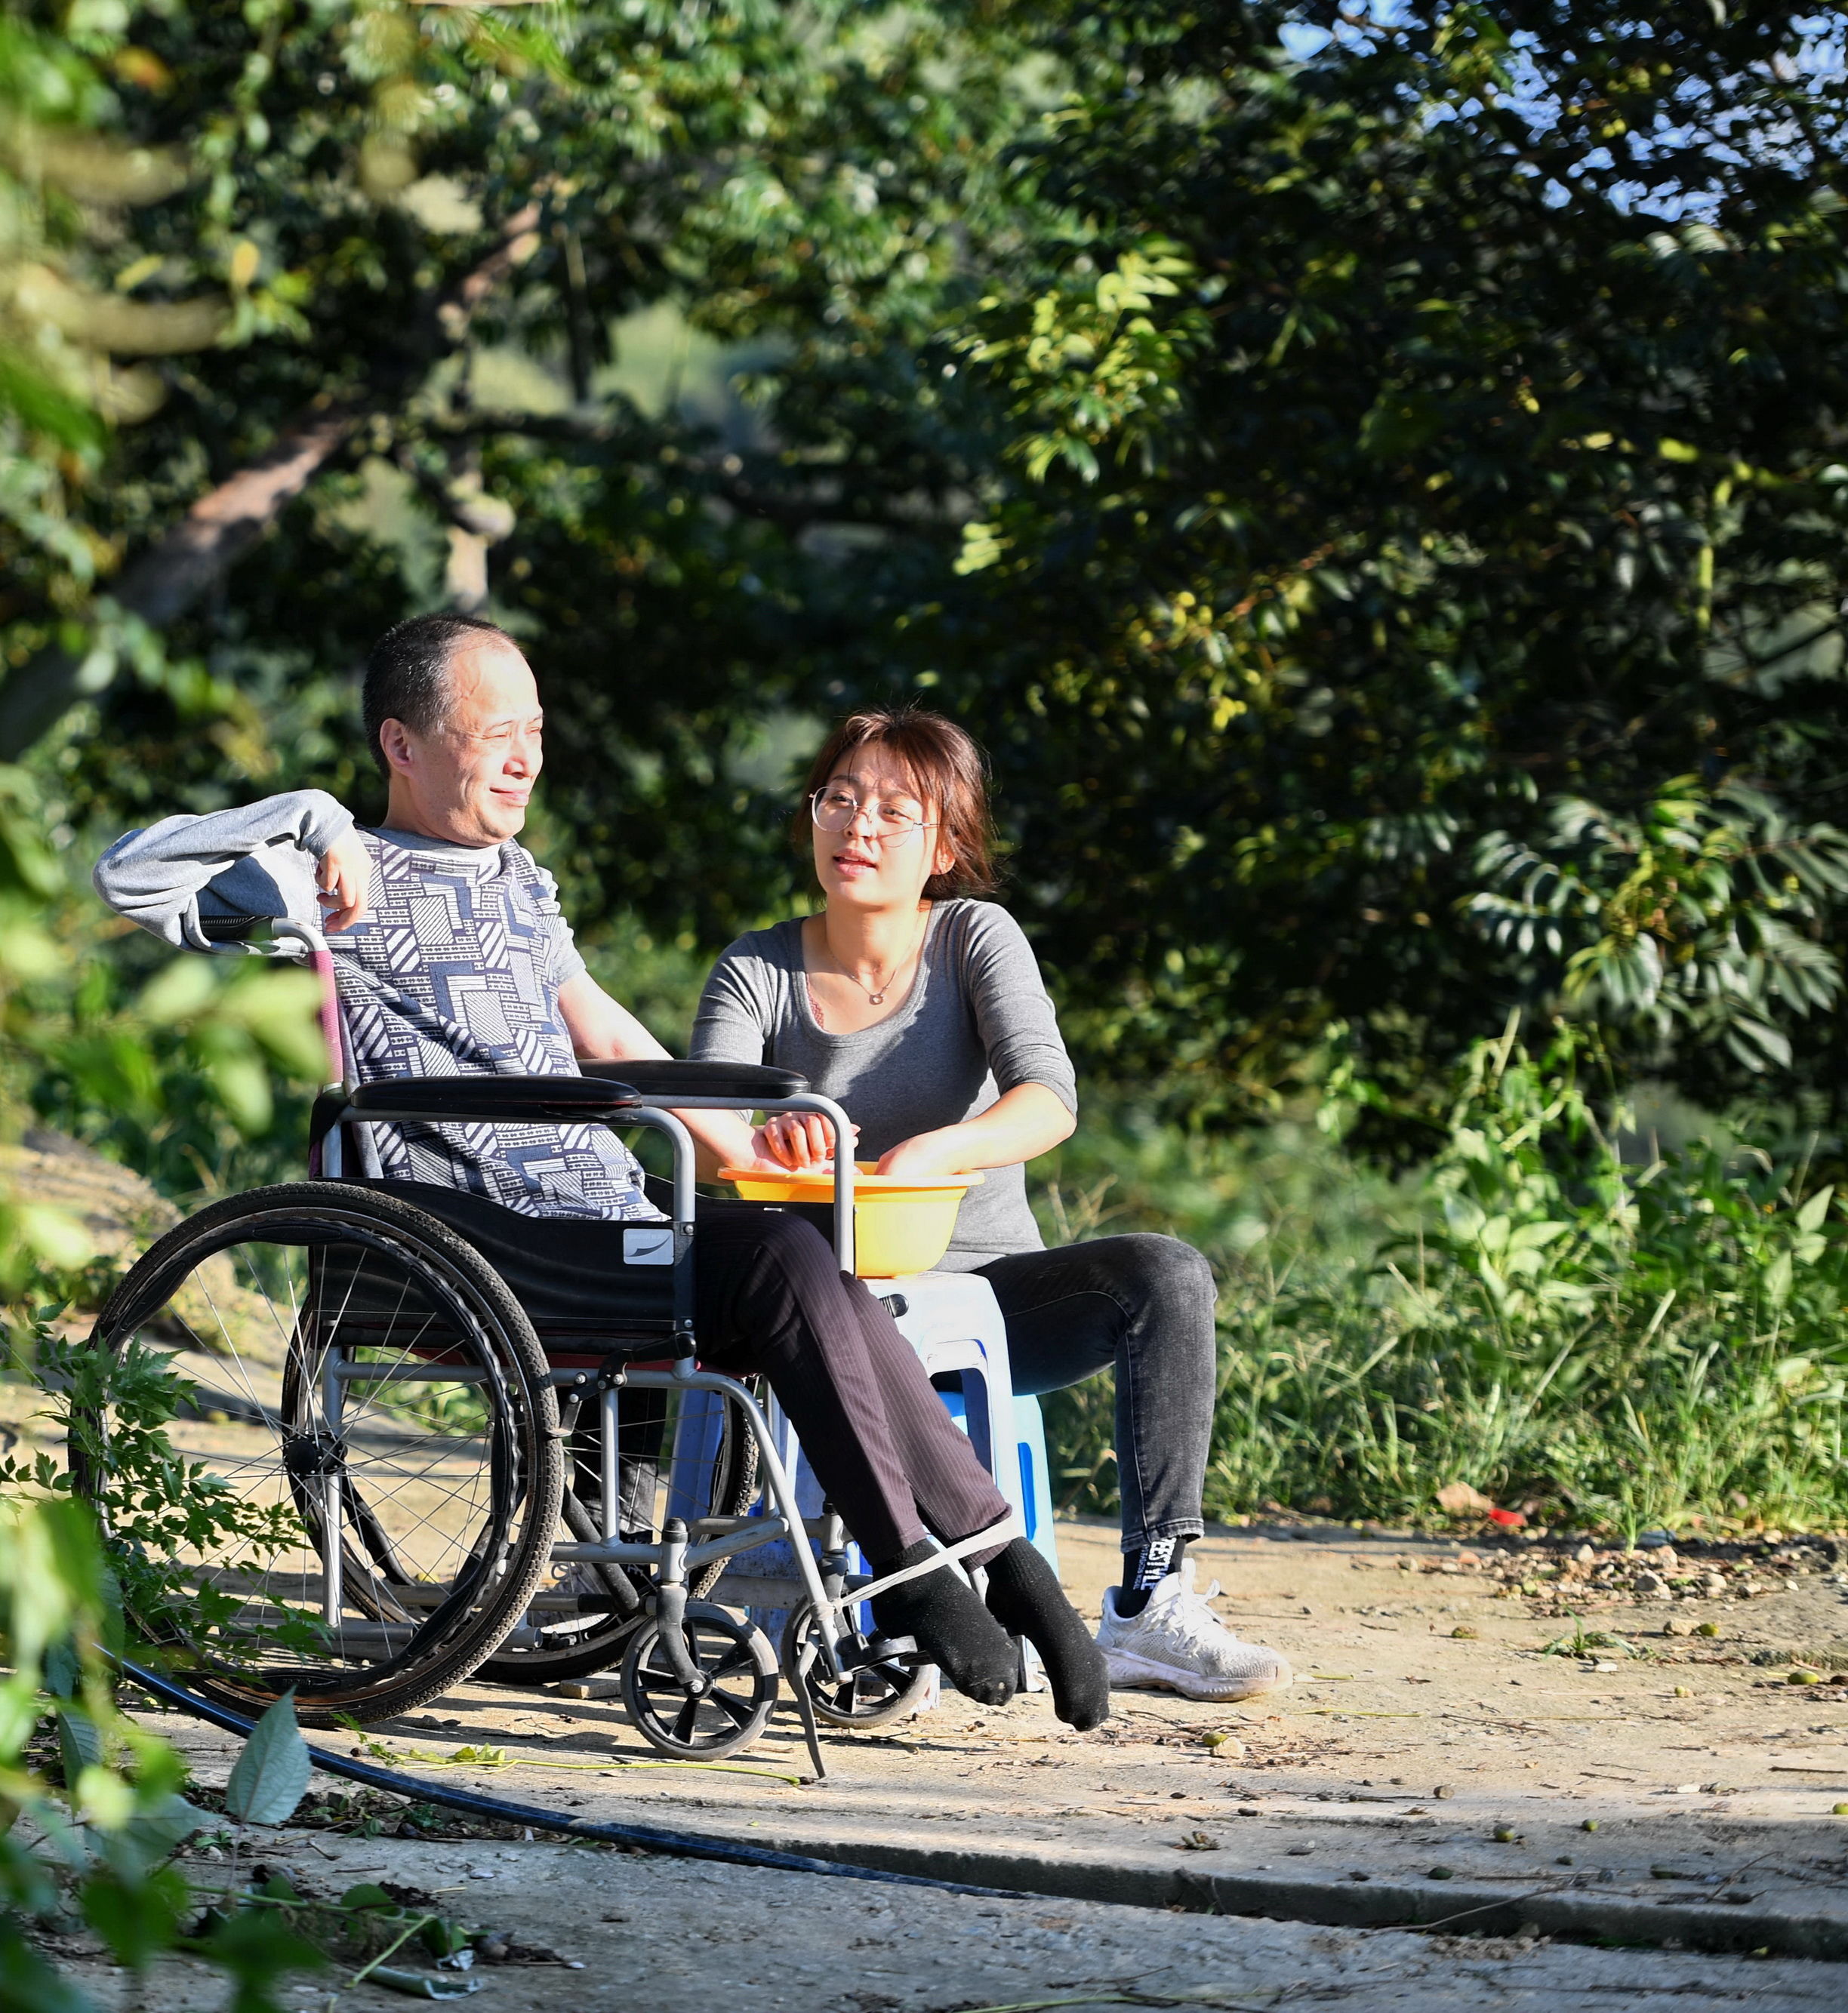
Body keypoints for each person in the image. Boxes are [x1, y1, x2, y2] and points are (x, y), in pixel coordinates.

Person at [93, 614, 1109, 1729]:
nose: (527, 759)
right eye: (496, 735)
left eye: (535, 730)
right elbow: (127, 873)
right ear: (402, 745)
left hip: (596, 1217)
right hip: (470, 1226)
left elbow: (619, 1046)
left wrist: (767, 1151)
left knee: (803, 1249)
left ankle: (995, 1557)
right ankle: (917, 1571)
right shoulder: (332, 881)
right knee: (776, 1259)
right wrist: (311, 823)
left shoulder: (523, 882)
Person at [691, 704, 1291, 1703]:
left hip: (983, 1299)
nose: (858, 828)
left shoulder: (975, 937)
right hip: (817, 1310)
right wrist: (767, 1142)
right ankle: (877, 1600)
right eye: (839, 800)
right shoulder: (757, 967)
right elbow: (703, 1106)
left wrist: (941, 1151)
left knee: (1166, 1274)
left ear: (946, 845)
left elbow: (1048, 1101)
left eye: (893, 810)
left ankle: (1152, 1606)